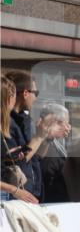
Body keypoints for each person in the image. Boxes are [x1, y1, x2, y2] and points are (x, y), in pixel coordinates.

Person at [5, 70, 43, 200]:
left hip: (27, 193)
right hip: (15, 197)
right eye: (35, 93)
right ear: (25, 93)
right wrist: (40, 136)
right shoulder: (7, 123)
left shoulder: (24, 120)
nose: (36, 98)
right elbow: (16, 160)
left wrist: (47, 137)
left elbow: (35, 157)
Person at [36, 102, 72, 203]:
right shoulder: (43, 143)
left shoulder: (56, 142)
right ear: (56, 122)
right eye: (66, 122)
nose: (69, 127)